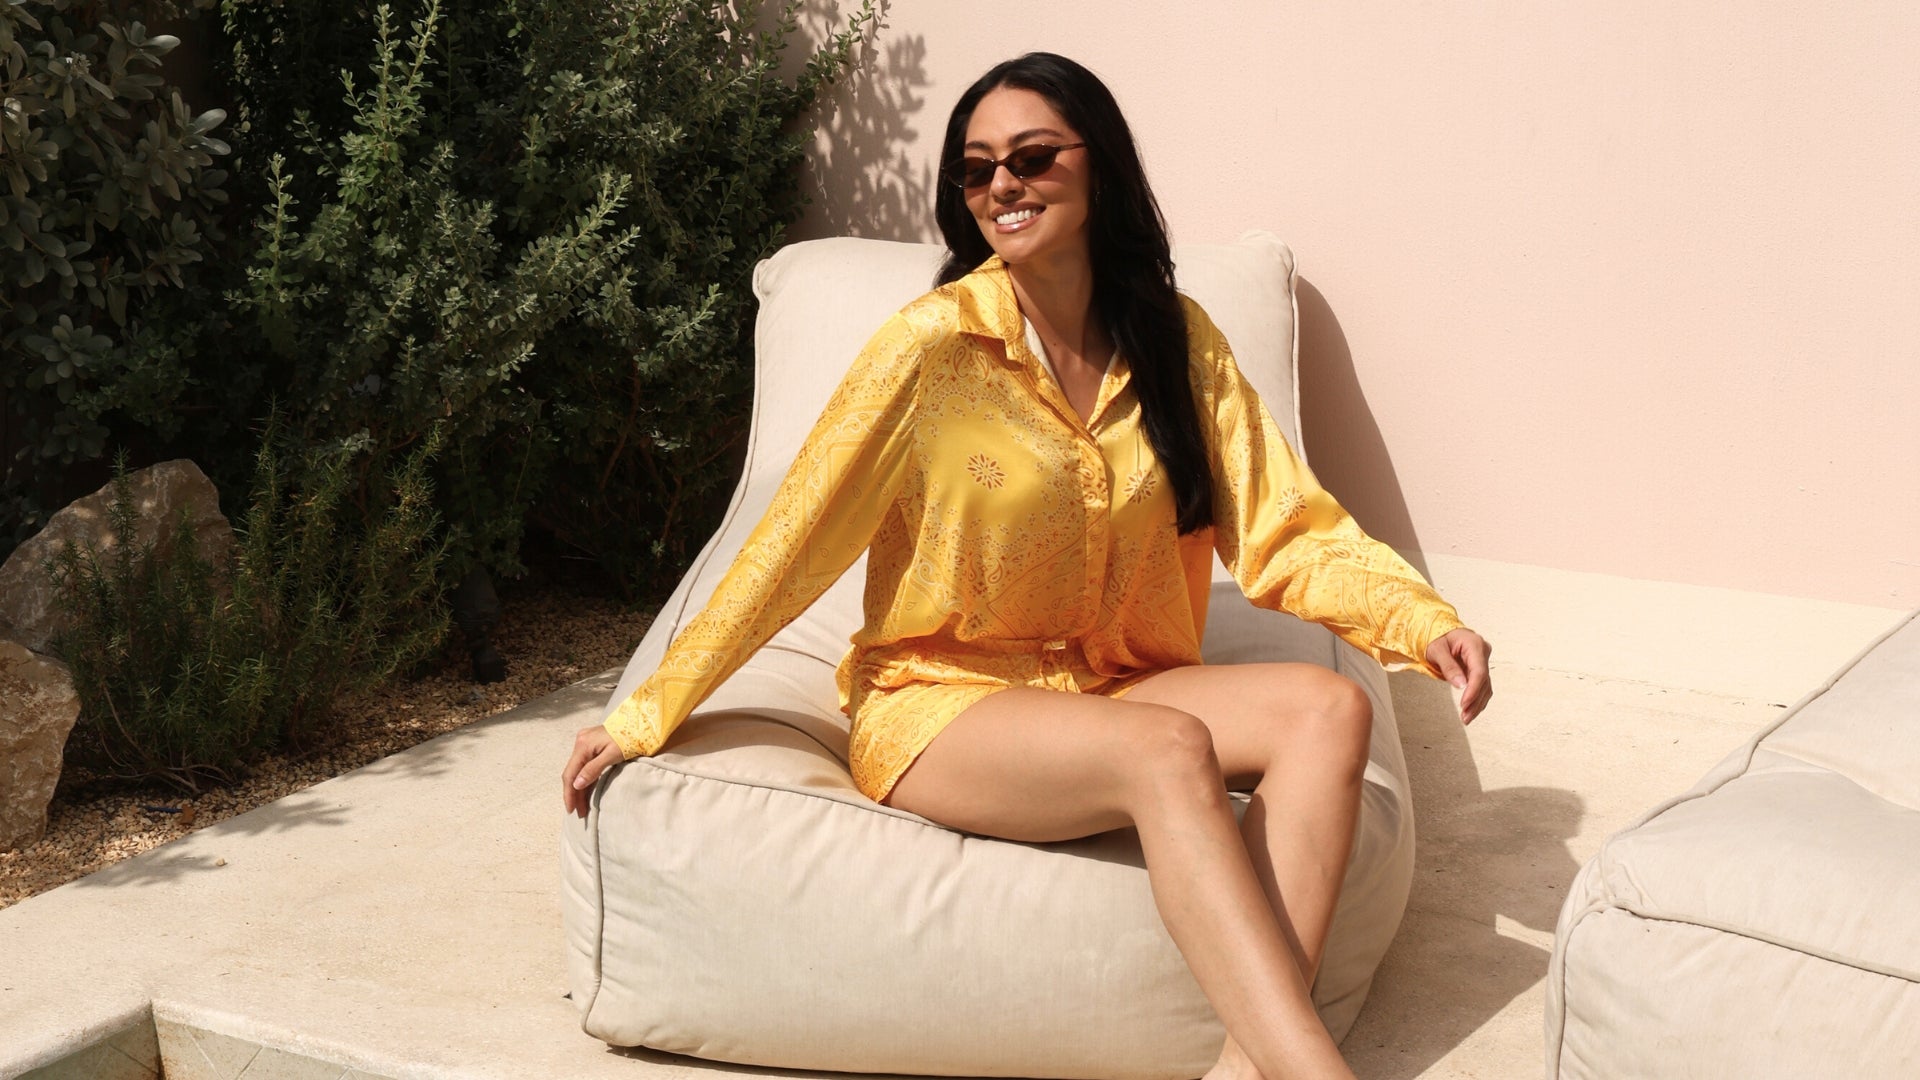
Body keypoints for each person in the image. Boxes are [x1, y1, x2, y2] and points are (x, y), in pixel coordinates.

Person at [564, 52, 1491, 1080]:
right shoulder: (931, 346)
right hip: (946, 701)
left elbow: (1287, 528)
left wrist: (1421, 621)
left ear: (1098, 170)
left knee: (1328, 711)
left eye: (1034, 156)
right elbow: (792, 536)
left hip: (1119, 676)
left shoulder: (1179, 344)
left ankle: (1248, 1069)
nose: (1004, 184)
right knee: (1167, 750)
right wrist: (646, 711)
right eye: (977, 169)